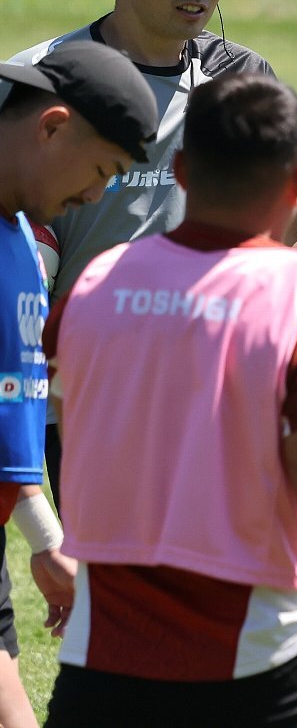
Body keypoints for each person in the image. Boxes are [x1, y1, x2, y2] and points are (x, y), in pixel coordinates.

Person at [40, 72, 297, 726]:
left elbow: (76, 449)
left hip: (100, 668)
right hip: (262, 667)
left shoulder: (91, 289)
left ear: (182, 170)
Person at [7, 0, 297, 516]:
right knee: (119, 568)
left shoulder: (241, 80)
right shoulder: (40, 80)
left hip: (218, 383)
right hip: (83, 390)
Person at [0, 41, 158, 728]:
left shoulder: (20, 237)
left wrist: (43, 537)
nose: (96, 196)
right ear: (53, 126)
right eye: (102, 171)